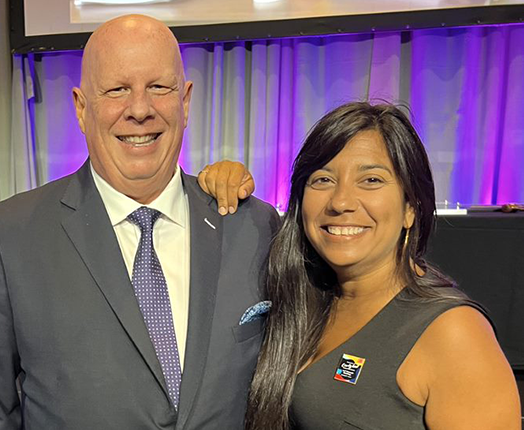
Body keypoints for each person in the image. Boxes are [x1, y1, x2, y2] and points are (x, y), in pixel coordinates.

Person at [0, 14, 279, 430]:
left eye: (159, 87)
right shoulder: (10, 234)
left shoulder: (254, 225)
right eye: (117, 90)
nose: (140, 109)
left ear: (186, 102)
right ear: (82, 108)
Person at [208, 102, 520, 429]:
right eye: (323, 179)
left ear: (411, 207)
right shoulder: (306, 298)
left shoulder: (453, 334)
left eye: (371, 180)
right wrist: (218, 184)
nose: (341, 201)